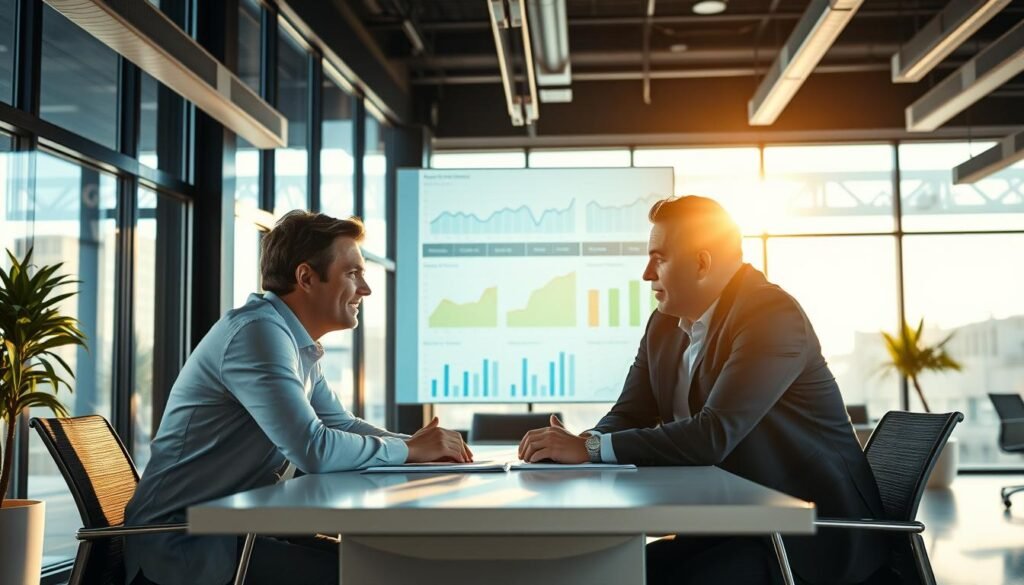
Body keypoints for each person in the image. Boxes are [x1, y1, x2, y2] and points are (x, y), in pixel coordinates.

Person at [517, 196, 889, 585]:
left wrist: (591, 451)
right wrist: (583, 443)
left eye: (658, 258)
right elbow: (630, 412)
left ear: (701, 263)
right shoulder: (663, 327)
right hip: (733, 526)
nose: (646, 273)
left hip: (807, 539)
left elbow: (713, 434)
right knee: (611, 571)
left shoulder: (771, 316)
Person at [125, 211, 471, 585]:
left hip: (236, 537)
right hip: (184, 549)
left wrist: (419, 445)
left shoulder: (293, 341)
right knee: (377, 574)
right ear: (306, 277)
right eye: (352, 273)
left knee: (383, 566)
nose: (366, 289)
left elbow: (340, 423)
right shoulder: (257, 333)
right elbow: (313, 448)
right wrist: (410, 452)